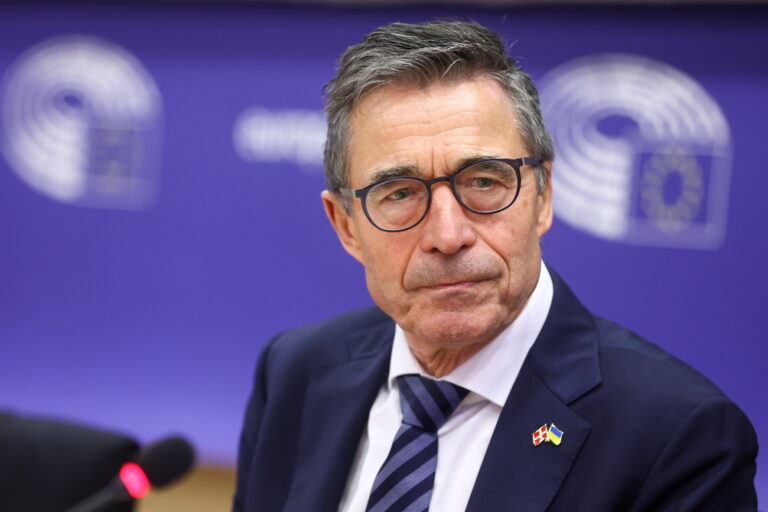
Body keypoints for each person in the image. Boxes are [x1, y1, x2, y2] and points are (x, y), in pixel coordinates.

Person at [233, 21, 758, 512]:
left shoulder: (680, 436)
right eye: (399, 193)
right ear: (345, 225)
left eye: (484, 181)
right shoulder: (294, 372)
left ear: (543, 195)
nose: (447, 235)